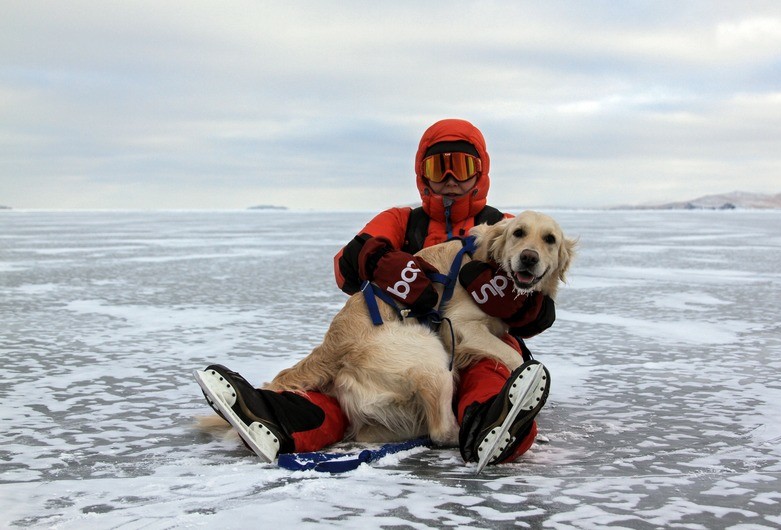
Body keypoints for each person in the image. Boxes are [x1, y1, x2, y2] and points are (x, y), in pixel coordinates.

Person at [197, 119, 555, 468]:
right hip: (395, 347)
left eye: (461, 167)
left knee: (490, 374)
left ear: (480, 173)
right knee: (338, 399)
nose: (449, 180)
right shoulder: (402, 220)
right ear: (422, 174)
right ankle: (274, 420)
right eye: (437, 168)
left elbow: (541, 301)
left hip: (469, 351)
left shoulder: (506, 226)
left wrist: (522, 307)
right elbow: (345, 266)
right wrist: (379, 261)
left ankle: (491, 433)